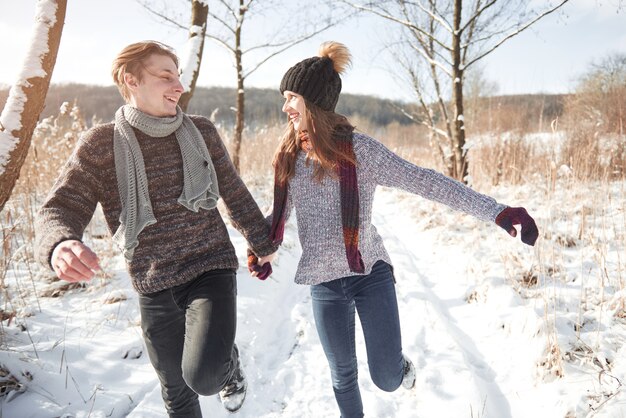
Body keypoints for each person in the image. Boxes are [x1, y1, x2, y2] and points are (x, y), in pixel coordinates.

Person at [248, 41, 539, 418]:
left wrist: (497, 211)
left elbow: (426, 182)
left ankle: (400, 368)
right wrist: (264, 247)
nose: (285, 107)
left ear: (314, 101)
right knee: (342, 375)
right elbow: (280, 215)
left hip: (369, 274)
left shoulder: (360, 151)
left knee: (385, 378)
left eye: (291, 97)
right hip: (323, 281)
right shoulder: (288, 157)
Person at [35, 41, 277, 417]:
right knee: (176, 393)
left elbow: (232, 190)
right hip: (153, 280)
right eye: (166, 76)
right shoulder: (101, 145)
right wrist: (60, 244)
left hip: (209, 265)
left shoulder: (201, 131)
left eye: (178, 76)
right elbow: (61, 205)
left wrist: (261, 240)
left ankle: (228, 366)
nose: (178, 85)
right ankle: (219, 351)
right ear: (132, 80)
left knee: (205, 376)